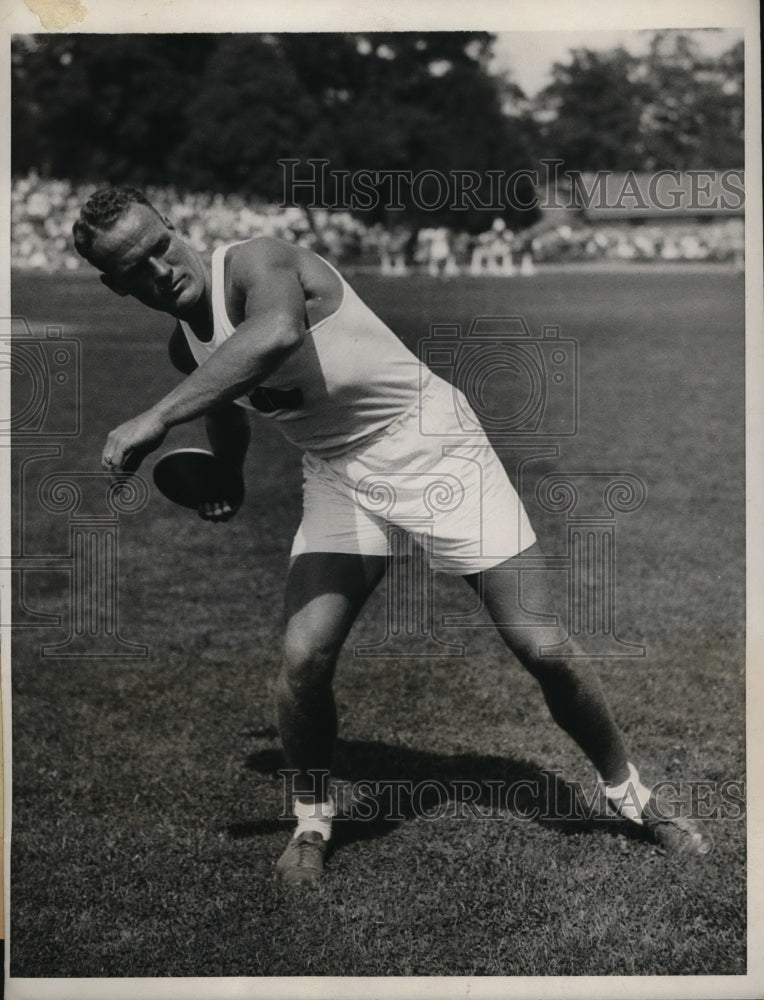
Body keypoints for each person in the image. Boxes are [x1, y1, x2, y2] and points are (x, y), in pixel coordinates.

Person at [72, 186, 712, 885]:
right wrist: (225, 472)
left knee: (543, 646)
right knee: (304, 655)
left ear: (173, 225)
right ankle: (312, 819)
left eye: (159, 246)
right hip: (338, 473)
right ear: (116, 285)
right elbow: (224, 399)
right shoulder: (184, 345)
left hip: (434, 444)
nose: (160, 269)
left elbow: (276, 332)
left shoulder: (257, 262)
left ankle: (631, 795)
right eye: (135, 269)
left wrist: (157, 417)